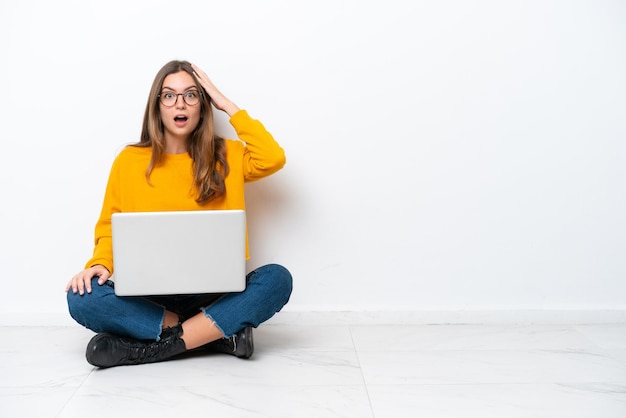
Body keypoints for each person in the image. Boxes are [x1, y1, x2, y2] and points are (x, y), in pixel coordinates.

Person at [66, 60, 293, 368]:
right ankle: (211, 332)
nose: (180, 104)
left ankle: (154, 347)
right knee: (81, 297)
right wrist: (100, 264)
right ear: (157, 106)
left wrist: (225, 102)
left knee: (277, 279)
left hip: (212, 294)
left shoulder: (227, 155)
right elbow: (110, 225)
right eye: (169, 95)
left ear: (203, 104)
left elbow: (273, 158)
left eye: (191, 95)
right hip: (150, 298)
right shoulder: (129, 161)